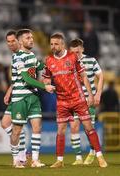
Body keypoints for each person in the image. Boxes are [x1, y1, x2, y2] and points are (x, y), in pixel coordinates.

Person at [42, 32, 107, 168]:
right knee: (60, 130)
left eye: (56, 44)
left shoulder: (72, 57)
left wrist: (90, 95)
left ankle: (100, 157)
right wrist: (47, 84)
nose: (53, 46)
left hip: (78, 98)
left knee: (89, 127)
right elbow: (46, 77)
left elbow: (83, 76)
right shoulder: (48, 60)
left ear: (62, 44)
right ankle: (60, 160)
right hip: (62, 100)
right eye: (51, 44)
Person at [10, 28, 55, 168]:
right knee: (17, 130)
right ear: (21, 41)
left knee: (37, 127)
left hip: (33, 97)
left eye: (32, 37)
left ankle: (35, 160)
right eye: (28, 38)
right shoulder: (18, 56)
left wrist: (51, 62)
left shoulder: (32, 55)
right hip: (20, 98)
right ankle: (16, 158)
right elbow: (26, 79)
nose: (31, 39)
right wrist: (44, 86)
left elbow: (39, 66)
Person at [69, 38, 104, 165]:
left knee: (89, 128)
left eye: (77, 52)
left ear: (82, 49)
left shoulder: (91, 60)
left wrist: (98, 94)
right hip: (74, 100)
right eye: (73, 52)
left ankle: (92, 152)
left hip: (89, 99)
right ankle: (78, 158)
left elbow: (101, 76)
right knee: (73, 127)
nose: (75, 55)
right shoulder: (69, 62)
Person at [1, 30, 27, 165]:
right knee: (5, 124)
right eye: (8, 42)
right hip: (15, 94)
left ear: (19, 41)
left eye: (13, 41)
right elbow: (16, 79)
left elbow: (25, 77)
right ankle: (22, 150)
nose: (10, 44)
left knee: (15, 129)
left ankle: (17, 158)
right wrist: (8, 92)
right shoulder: (14, 56)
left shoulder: (22, 55)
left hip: (22, 97)